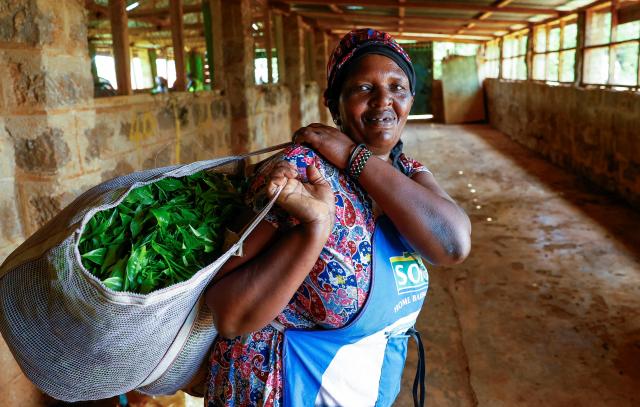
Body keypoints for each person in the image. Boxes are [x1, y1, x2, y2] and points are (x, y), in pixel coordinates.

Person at [204, 28, 471, 406]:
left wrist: (353, 156)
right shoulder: (301, 173)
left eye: (398, 88)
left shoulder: (409, 173)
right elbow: (229, 315)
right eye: (364, 88)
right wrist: (314, 229)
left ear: (411, 99)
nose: (384, 102)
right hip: (277, 390)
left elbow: (452, 243)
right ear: (334, 102)